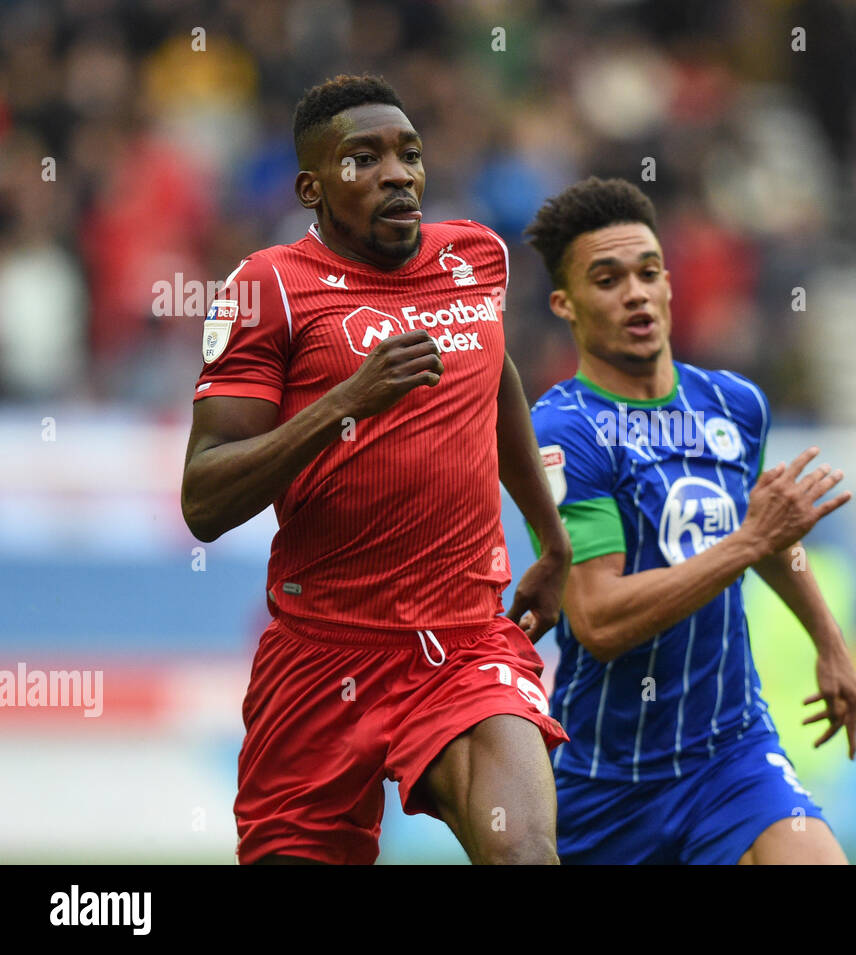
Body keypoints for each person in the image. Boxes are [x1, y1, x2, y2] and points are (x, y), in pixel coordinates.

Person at [180, 74, 572, 865]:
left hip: (461, 645)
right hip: (320, 656)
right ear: (311, 188)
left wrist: (552, 541)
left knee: (525, 854)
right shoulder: (269, 288)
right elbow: (204, 497)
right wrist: (347, 400)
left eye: (410, 154)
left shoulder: (477, 258)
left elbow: (497, 384)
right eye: (363, 158)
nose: (398, 173)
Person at [523, 177, 856, 864]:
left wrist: (829, 641)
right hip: (607, 779)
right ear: (566, 303)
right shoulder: (564, 432)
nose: (636, 293)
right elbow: (598, 619)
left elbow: (768, 541)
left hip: (731, 751)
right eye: (608, 278)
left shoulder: (735, 405)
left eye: (650, 272)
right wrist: (749, 540)